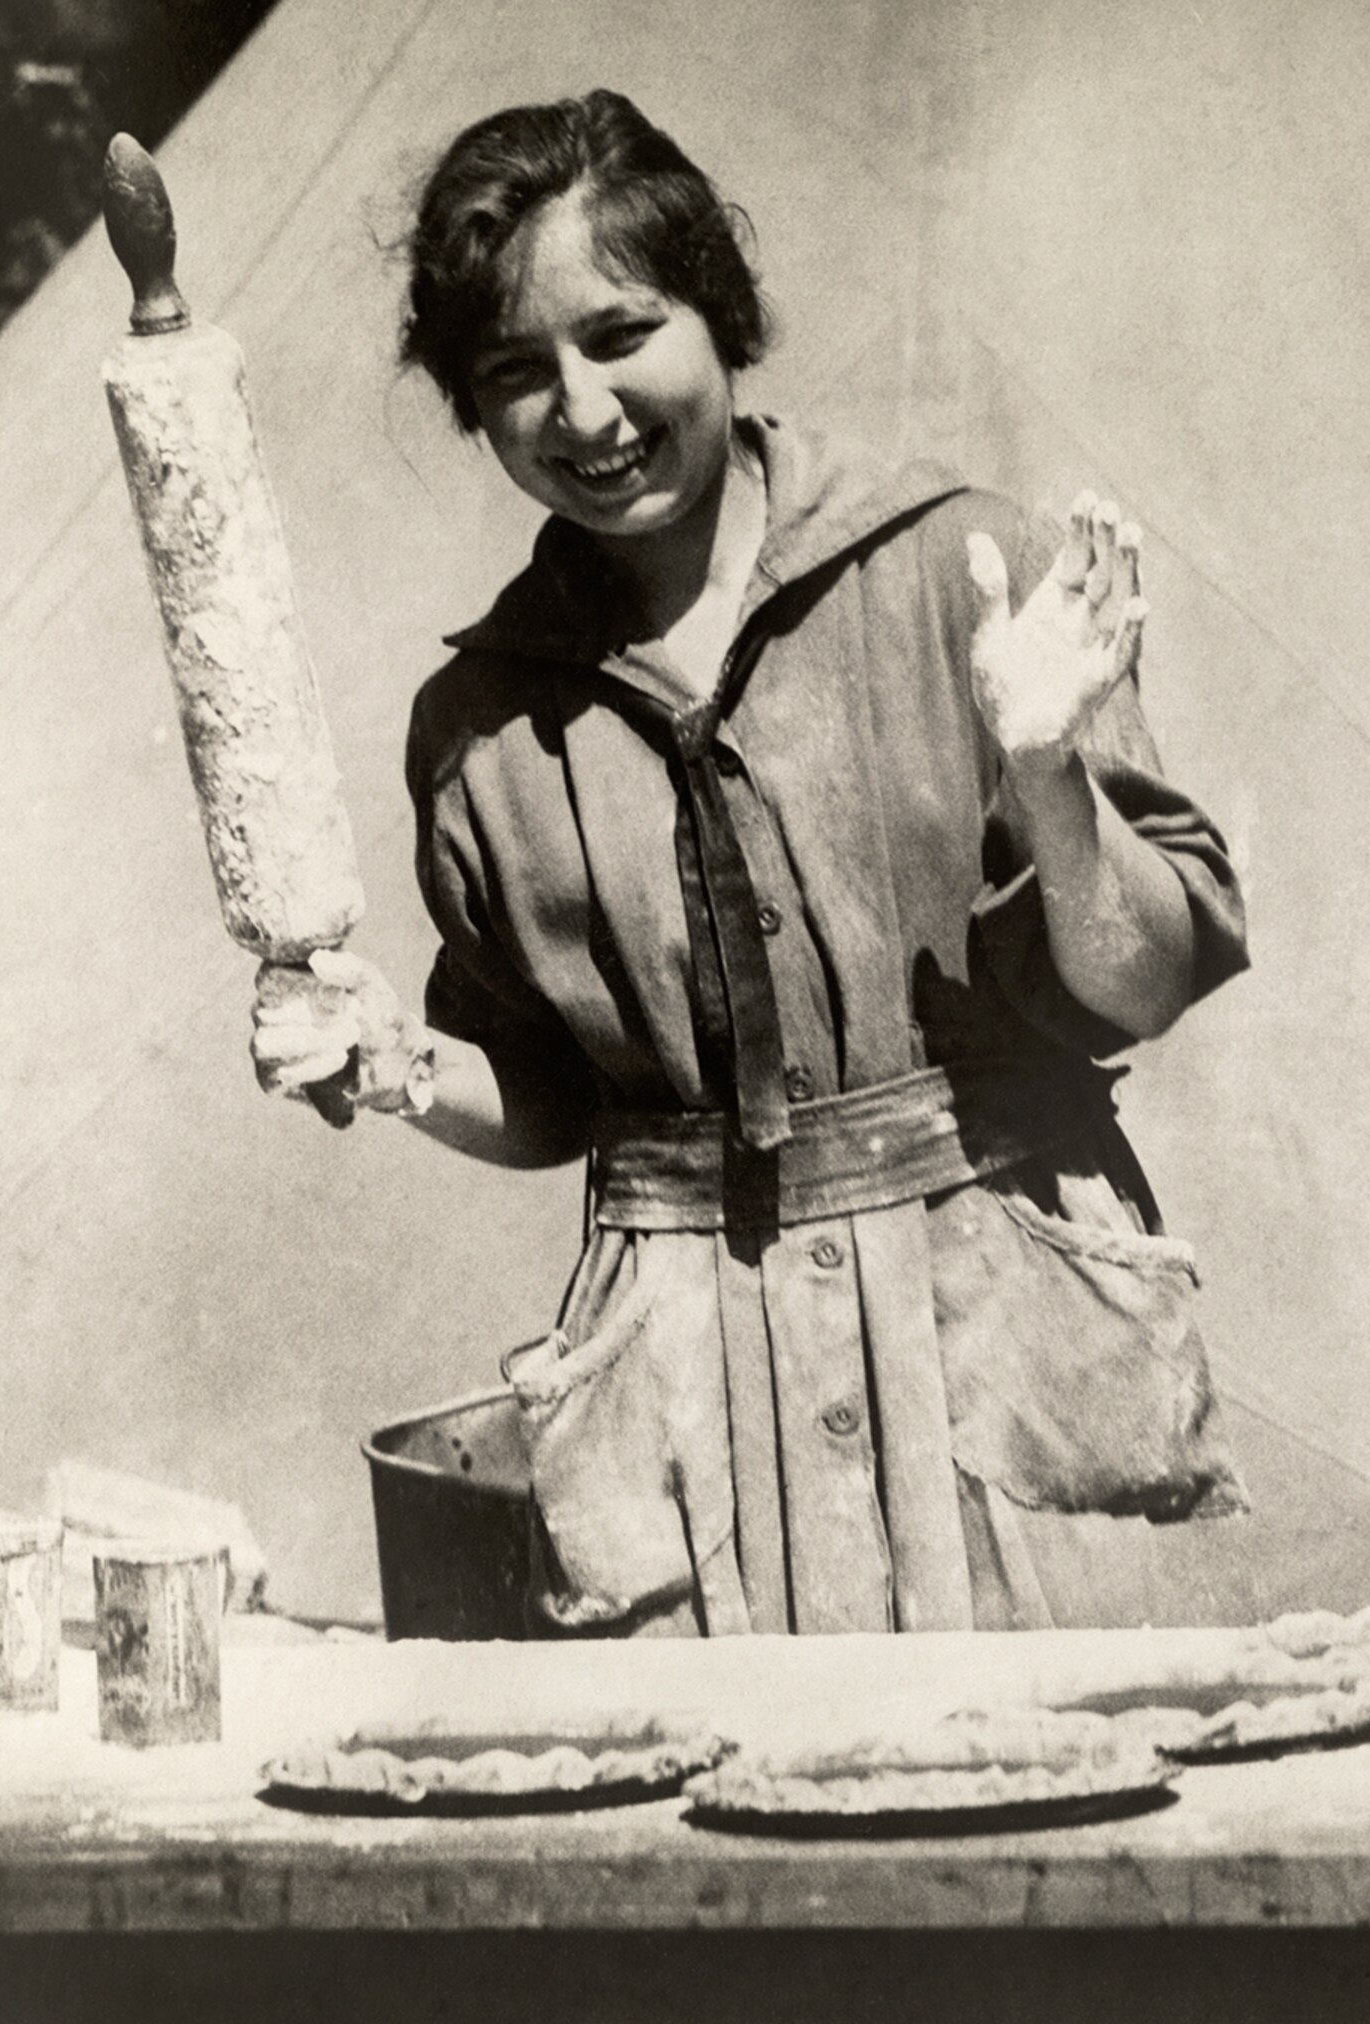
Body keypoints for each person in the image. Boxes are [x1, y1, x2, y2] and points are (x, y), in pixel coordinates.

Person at [254, 88, 1268, 1644]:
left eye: (621, 333)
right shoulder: (482, 728)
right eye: (515, 373)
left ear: (718, 316)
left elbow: (1139, 985)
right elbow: (553, 1101)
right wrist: (400, 1066)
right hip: (690, 1407)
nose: (583, 413)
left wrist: (1050, 771)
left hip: (999, 1359)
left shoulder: (967, 576)